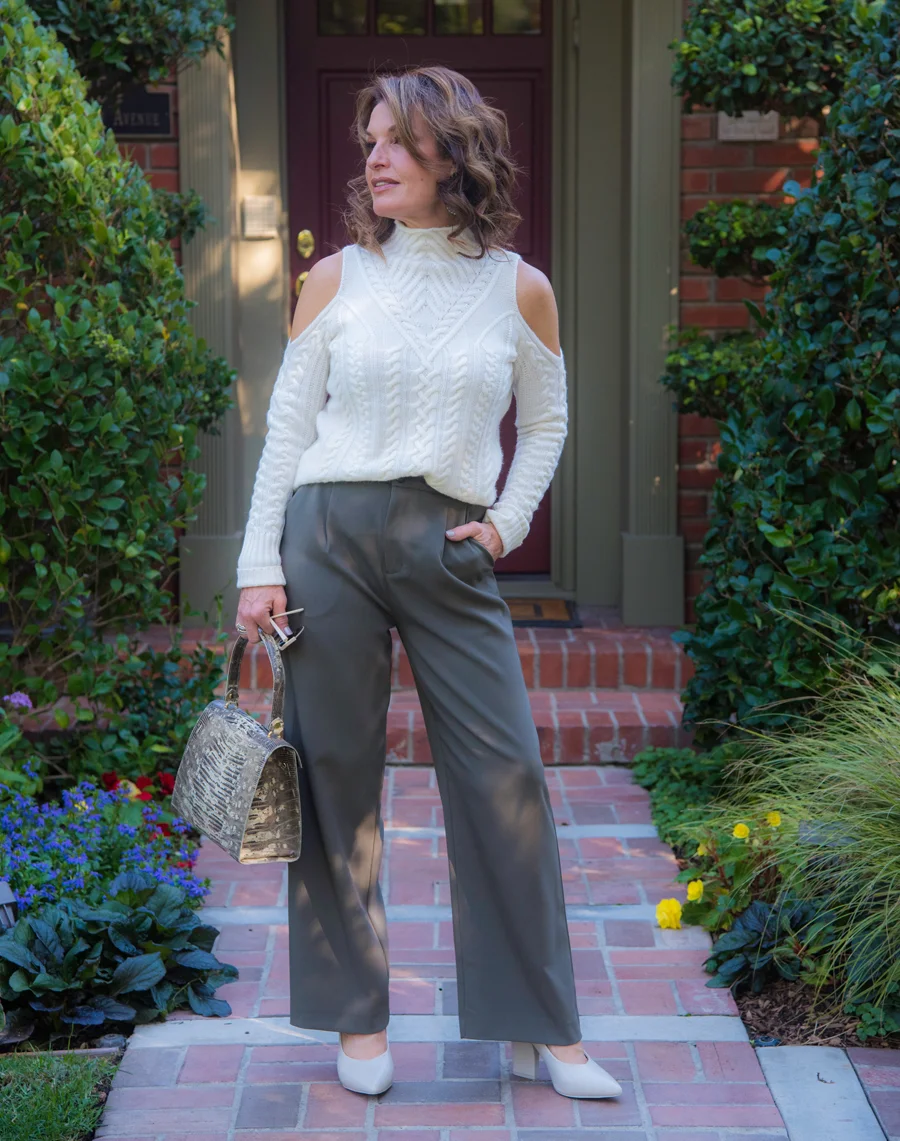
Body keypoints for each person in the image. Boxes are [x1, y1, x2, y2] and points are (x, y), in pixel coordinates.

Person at [233, 64, 621, 1102]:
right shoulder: (338, 279)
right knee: (334, 777)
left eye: (397, 139)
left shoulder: (518, 287)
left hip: (449, 546)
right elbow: (286, 432)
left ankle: (542, 1025)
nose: (374, 157)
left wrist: (507, 525)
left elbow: (546, 420)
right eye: (368, 140)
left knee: (506, 778)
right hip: (328, 535)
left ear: (454, 152)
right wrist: (257, 565)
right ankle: (357, 1019)